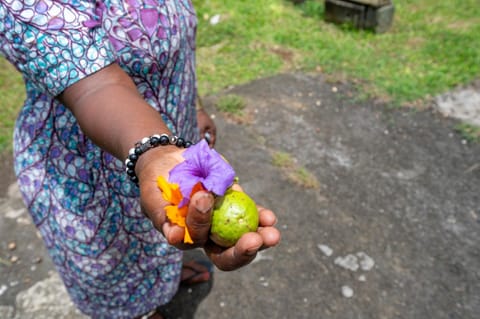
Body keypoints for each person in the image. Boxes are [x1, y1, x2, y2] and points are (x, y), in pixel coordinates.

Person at [0, 1, 281, 318]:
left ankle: (165, 281)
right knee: (118, 271)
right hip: (90, 170)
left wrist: (195, 106)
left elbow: (175, 41)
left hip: (168, 142)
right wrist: (154, 153)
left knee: (165, 237)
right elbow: (95, 83)